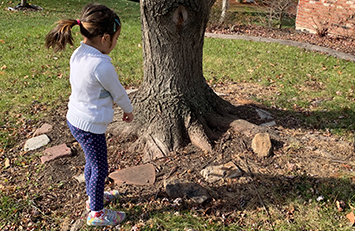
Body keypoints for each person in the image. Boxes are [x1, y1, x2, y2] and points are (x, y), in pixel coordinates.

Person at [45, 3, 133, 227]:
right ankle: (96, 213)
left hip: (76, 118)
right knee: (100, 167)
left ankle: (94, 196)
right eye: (116, 39)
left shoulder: (79, 53)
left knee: (93, 163)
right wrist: (128, 110)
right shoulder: (101, 66)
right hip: (90, 125)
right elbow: (118, 92)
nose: (115, 43)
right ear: (105, 38)